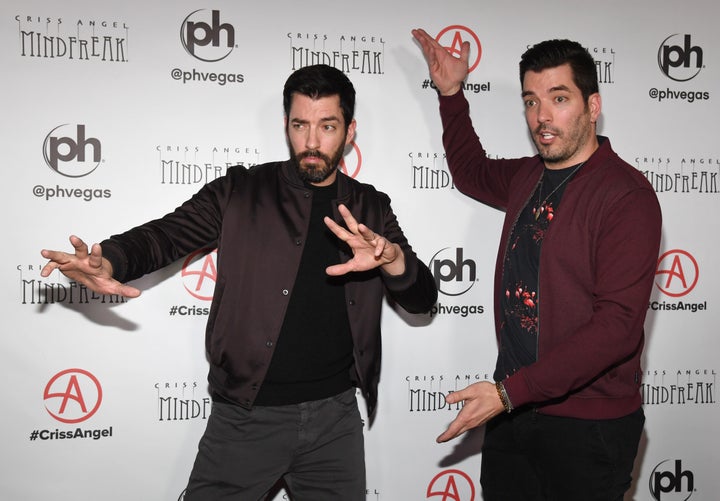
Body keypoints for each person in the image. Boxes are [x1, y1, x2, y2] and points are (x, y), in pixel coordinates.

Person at [40, 63, 437, 501]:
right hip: (246, 419)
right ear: (285, 124)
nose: (311, 141)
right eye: (299, 124)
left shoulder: (371, 207)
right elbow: (166, 236)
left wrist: (393, 259)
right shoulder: (240, 190)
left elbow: (422, 301)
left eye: (327, 126)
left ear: (350, 129)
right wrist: (111, 259)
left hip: (335, 421)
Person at [412, 28, 661, 500]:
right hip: (514, 414)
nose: (542, 117)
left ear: (592, 106)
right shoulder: (528, 175)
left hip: (589, 430)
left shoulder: (626, 196)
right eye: (530, 101)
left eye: (559, 98)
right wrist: (450, 93)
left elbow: (618, 327)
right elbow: (470, 171)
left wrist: (507, 393)